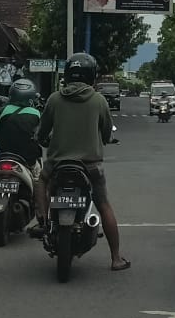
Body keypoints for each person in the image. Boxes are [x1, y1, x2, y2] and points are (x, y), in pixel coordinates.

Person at [36, 52, 130, 271]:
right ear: (92, 75)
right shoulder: (99, 100)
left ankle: (42, 221)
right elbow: (107, 133)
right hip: (90, 166)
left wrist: (43, 140)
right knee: (103, 204)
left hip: (57, 164)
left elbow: (42, 132)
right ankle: (116, 258)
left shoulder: (54, 99)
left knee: (41, 182)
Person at [0, 78, 45, 232]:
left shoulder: (0, 112)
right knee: (39, 182)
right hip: (28, 160)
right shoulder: (36, 114)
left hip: (3, 156)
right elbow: (42, 136)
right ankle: (42, 218)